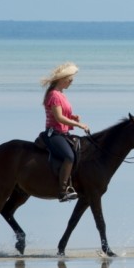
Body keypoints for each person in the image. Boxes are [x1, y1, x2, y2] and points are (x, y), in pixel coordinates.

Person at [40, 62, 89, 202]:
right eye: (70, 79)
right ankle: (62, 191)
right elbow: (59, 118)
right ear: (62, 79)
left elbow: (63, 115)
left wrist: (73, 117)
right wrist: (79, 124)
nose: (71, 82)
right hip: (54, 134)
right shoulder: (54, 95)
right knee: (69, 156)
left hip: (63, 133)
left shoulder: (61, 94)